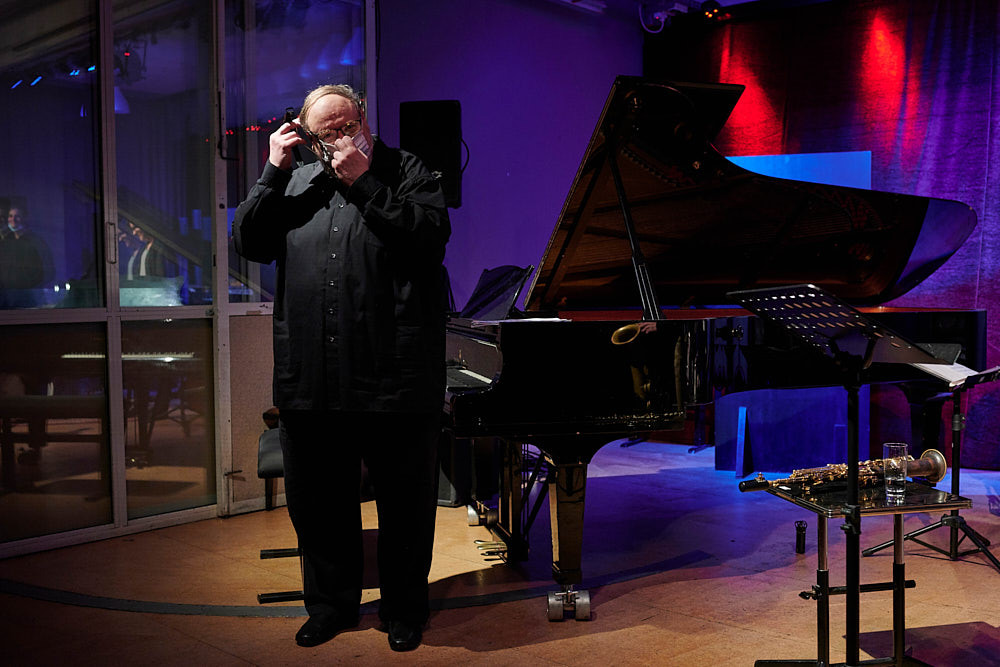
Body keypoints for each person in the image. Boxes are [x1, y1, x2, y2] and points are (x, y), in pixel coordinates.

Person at [233, 84, 450, 652]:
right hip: (313, 375)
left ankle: (404, 610)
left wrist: (364, 181)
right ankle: (330, 606)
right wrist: (272, 172)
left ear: (364, 120)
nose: (340, 138)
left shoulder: (407, 170)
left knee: (405, 504)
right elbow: (249, 241)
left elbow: (429, 240)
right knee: (319, 504)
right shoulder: (295, 182)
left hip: (395, 375)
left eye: (348, 125)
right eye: (326, 132)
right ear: (307, 137)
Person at [0, 204, 48, 308]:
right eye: (10, 216)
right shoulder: (6, 242)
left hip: (28, 297)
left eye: (17, 216)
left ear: (24, 218)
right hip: (7, 298)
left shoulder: (35, 242)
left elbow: (45, 270)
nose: (13, 219)